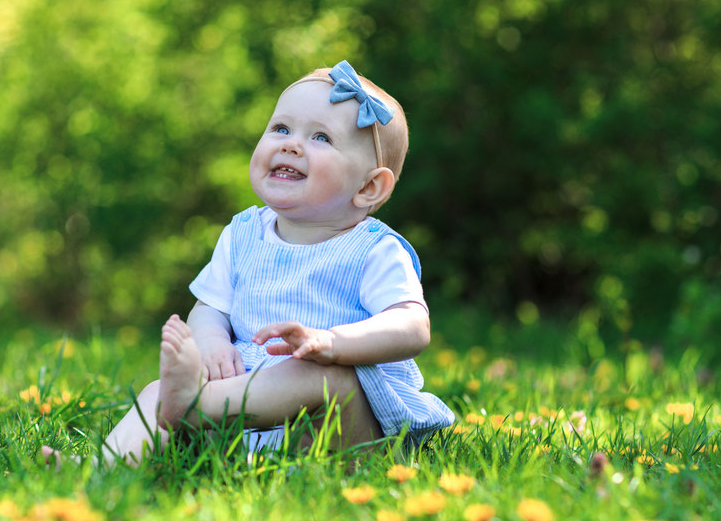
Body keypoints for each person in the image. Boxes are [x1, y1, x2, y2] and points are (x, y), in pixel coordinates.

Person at [51, 60, 454, 468]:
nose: (291, 144)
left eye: (321, 137)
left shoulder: (373, 250)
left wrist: (334, 344)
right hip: (238, 413)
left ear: (369, 186)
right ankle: (101, 469)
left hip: (342, 433)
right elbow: (211, 306)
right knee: (158, 391)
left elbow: (411, 325)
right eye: (281, 128)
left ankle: (194, 406)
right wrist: (210, 342)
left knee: (323, 377)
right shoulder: (243, 233)